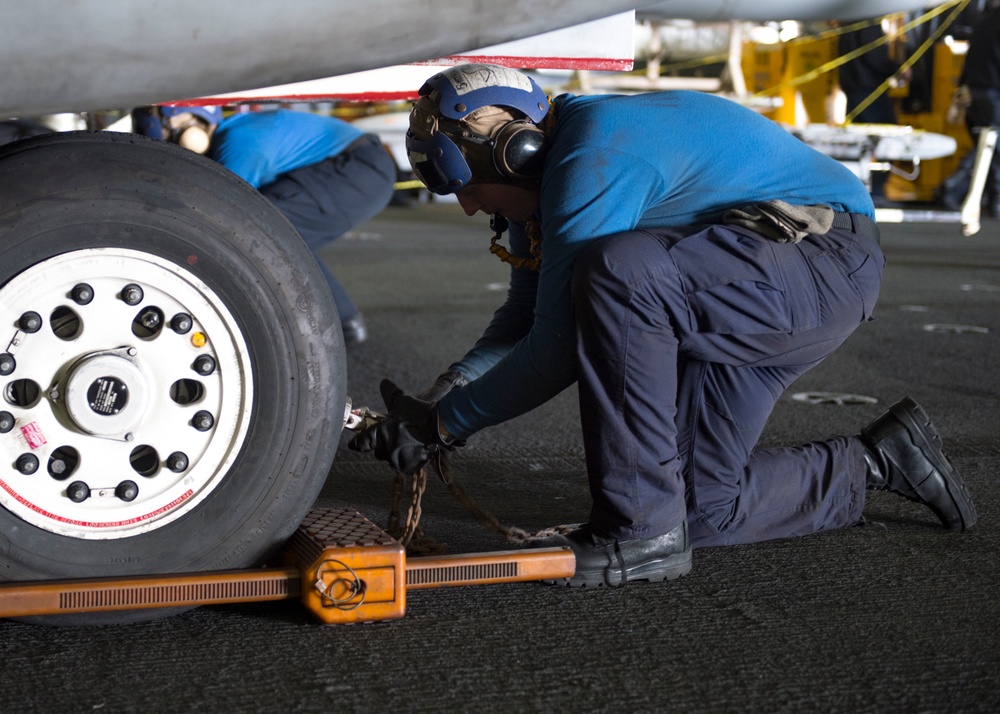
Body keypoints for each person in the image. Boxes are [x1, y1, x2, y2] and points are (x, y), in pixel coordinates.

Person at [350, 63, 977, 588]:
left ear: (519, 150)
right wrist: (446, 390)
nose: (466, 204)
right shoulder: (537, 174)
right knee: (702, 508)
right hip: (736, 279)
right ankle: (875, 462)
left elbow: (558, 344)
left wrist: (443, 424)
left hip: (823, 263)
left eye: (471, 185)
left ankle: (640, 534)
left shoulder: (592, 156)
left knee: (619, 274)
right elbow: (524, 317)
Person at [136, 106, 396, 344]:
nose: (166, 134)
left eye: (168, 126)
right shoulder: (234, 132)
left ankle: (338, 325)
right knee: (277, 236)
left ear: (195, 122)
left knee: (260, 235)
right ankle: (344, 321)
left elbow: (216, 217)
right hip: (360, 166)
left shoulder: (238, 143)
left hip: (358, 169)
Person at [938, 1, 1000, 216]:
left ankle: (992, 198)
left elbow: (969, 59)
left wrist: (962, 89)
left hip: (975, 91)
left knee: (986, 148)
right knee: (991, 148)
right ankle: (954, 187)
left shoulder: (983, 22)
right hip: (993, 93)